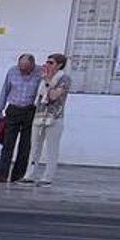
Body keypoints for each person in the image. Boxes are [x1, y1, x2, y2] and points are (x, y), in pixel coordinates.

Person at [0, 53, 40, 183]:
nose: (22, 71)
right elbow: (5, 89)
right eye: (20, 67)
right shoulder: (12, 71)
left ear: (32, 65)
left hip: (30, 110)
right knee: (7, 144)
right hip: (13, 109)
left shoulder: (40, 73)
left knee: (25, 145)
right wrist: (0, 109)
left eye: (26, 69)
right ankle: (1, 174)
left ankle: (18, 175)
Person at [26, 52, 72, 185]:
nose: (47, 65)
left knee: (51, 148)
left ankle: (48, 176)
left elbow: (53, 96)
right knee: (34, 146)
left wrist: (48, 81)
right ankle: (29, 174)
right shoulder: (43, 78)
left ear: (59, 65)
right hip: (40, 115)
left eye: (51, 63)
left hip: (54, 117)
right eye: (47, 62)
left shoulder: (64, 79)